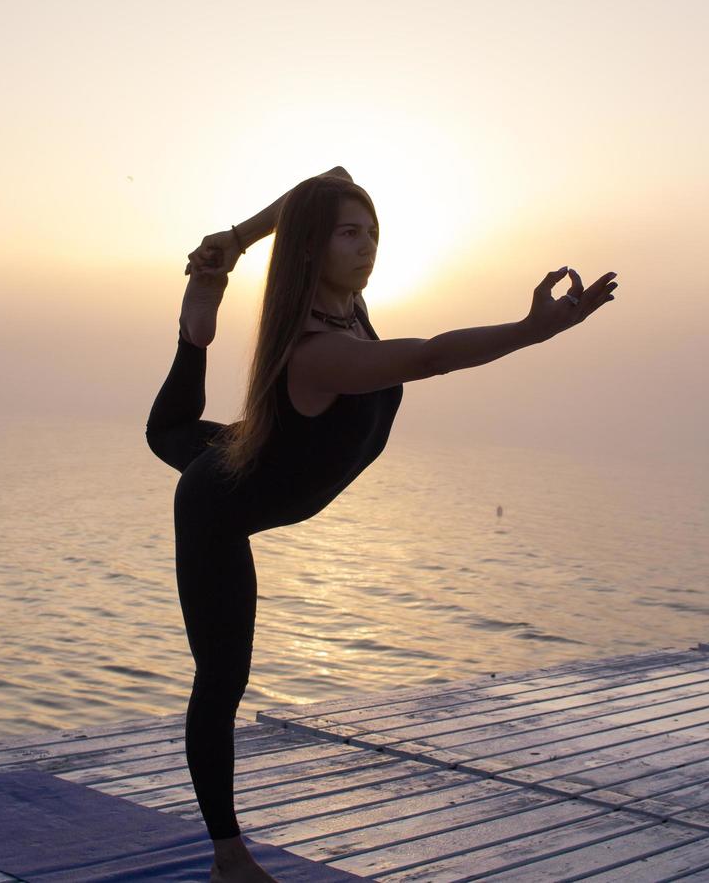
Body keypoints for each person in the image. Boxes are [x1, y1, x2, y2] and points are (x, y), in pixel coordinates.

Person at [145, 167, 617, 882]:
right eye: (348, 233)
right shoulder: (319, 348)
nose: (367, 246)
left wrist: (238, 238)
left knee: (171, 432)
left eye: (372, 232)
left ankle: (196, 320)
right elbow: (426, 357)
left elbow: (329, 176)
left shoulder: (345, 304)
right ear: (311, 248)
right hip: (226, 499)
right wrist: (530, 330)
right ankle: (227, 856)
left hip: (259, 450)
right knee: (223, 676)